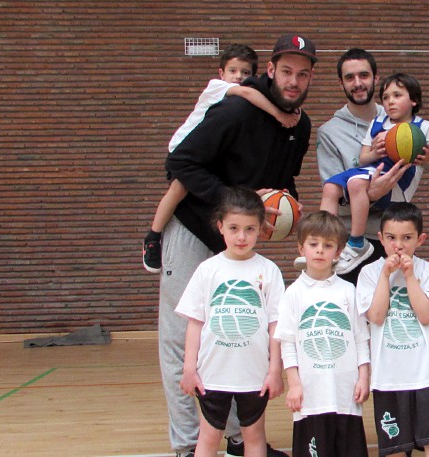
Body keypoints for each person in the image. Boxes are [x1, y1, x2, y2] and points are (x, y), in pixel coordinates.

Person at [161, 33, 317, 457]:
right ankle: (187, 444)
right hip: (194, 228)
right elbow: (179, 162)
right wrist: (239, 204)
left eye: (303, 74)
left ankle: (234, 438)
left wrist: (289, 205)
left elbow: (282, 180)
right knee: (183, 336)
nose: (293, 81)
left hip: (240, 239)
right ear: (271, 70)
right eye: (286, 71)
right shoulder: (235, 110)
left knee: (237, 334)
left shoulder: (299, 126)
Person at [142, 43, 300, 273]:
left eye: (245, 73)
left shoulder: (246, 105)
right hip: (182, 148)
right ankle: (153, 236)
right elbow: (248, 92)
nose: (238, 77)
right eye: (233, 71)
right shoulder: (219, 88)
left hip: (206, 162)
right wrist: (279, 114)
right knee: (180, 188)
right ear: (221, 73)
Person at [176, 187, 284, 457]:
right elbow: (195, 323)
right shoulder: (207, 269)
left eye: (249, 229)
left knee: (254, 436)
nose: (241, 236)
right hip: (212, 373)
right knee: (209, 437)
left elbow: (276, 325)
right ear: (220, 226)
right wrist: (189, 368)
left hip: (254, 373)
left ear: (260, 229)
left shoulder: (268, 270)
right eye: (234, 228)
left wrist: (275, 369)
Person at [320, 73, 429, 274]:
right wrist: (375, 152)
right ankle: (324, 243)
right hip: (372, 171)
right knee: (330, 187)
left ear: (413, 100)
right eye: (386, 97)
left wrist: (428, 159)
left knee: (355, 184)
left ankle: (356, 242)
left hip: (397, 181)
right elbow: (363, 158)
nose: (390, 101)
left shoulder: (423, 126)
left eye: (397, 95)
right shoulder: (377, 123)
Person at [274, 211, 371, 457]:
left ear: (338, 252)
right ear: (301, 248)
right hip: (310, 397)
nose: (320, 250)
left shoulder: (348, 291)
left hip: (345, 395)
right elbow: (288, 343)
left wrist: (363, 377)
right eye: (313, 244)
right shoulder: (293, 293)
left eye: (328, 245)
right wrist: (294, 384)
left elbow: (361, 339)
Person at [356, 202, 429, 457]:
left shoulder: (428, 270)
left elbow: (426, 315)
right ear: (380, 239)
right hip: (387, 377)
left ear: (420, 239)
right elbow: (375, 316)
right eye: (391, 238)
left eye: (407, 238)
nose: (398, 245)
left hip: (426, 374)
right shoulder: (369, 273)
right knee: (394, 447)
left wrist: (409, 277)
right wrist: (385, 276)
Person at [314, 49, 410, 284]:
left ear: (375, 78)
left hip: (394, 235)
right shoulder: (329, 132)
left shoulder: (399, 120)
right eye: (350, 77)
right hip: (350, 243)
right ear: (341, 83)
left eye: (364, 75)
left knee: (387, 306)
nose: (357, 83)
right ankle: (320, 243)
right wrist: (372, 194)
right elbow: (335, 194)